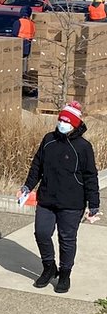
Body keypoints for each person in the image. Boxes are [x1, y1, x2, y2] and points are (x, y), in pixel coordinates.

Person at [19, 101, 100, 294]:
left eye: (66, 121)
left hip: (72, 203)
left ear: (74, 124)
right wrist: (27, 186)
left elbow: (90, 176)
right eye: (60, 120)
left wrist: (93, 204)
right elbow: (37, 165)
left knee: (67, 239)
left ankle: (65, 273)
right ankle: (49, 267)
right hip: (47, 198)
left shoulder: (83, 147)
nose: (62, 124)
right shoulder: (48, 140)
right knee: (41, 233)